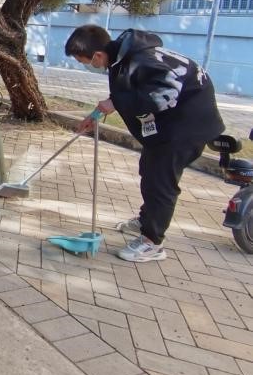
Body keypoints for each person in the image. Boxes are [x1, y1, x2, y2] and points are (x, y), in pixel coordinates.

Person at [65, 25, 224, 263]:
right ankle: (147, 220)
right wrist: (98, 112)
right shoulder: (123, 57)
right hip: (169, 125)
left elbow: (166, 93)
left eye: (83, 61)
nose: (85, 65)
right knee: (149, 171)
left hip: (188, 126)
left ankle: (152, 242)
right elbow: (133, 89)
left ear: (97, 55)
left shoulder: (142, 59)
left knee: (161, 183)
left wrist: (116, 103)